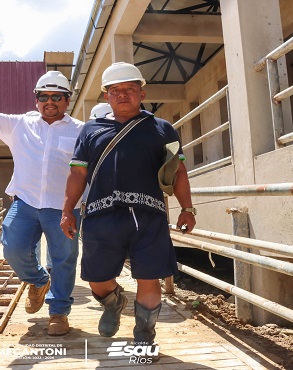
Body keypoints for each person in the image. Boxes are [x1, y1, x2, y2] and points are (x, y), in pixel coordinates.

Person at [60, 62, 196, 357]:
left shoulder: (162, 129)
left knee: (149, 277)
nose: (123, 94)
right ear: (106, 96)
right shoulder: (89, 130)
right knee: (96, 279)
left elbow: (180, 171)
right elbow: (78, 175)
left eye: (130, 89)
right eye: (116, 90)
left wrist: (188, 207)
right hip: (100, 216)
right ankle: (112, 302)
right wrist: (67, 210)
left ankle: (144, 337)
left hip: (149, 216)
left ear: (142, 93)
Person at [0, 66, 83, 336]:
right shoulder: (20, 125)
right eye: (43, 96)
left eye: (56, 96)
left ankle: (58, 312)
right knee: (12, 249)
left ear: (67, 100)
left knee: (64, 259)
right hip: (25, 203)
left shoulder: (81, 131)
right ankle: (38, 281)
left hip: (63, 207)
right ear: (35, 99)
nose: (49, 101)